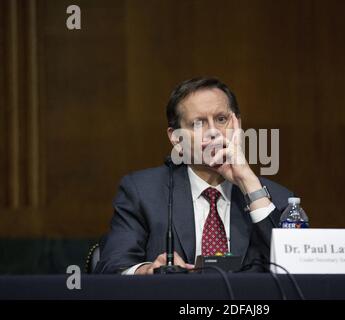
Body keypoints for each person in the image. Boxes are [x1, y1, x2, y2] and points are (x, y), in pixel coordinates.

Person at [95, 77, 294, 274]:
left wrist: (248, 183)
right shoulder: (142, 193)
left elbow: (296, 270)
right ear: (176, 138)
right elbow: (112, 266)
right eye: (198, 124)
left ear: (238, 125)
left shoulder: (277, 199)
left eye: (221, 119)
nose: (213, 132)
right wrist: (149, 271)